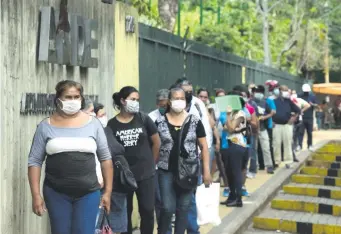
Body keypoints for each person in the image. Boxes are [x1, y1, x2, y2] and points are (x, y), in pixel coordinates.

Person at [27, 80, 113, 234]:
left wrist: (107, 192)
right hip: (56, 193)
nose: (73, 101)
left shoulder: (93, 124)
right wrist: (36, 195)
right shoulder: (45, 126)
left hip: (89, 192)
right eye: (68, 97)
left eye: (76, 97)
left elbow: (106, 159)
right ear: (58, 99)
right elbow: (34, 161)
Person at [155, 87, 211, 234]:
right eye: (175, 98)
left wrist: (206, 172)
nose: (179, 101)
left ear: (186, 101)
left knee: (184, 208)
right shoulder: (159, 122)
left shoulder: (194, 121)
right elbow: (153, 145)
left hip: (189, 171)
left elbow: (204, 147)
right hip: (165, 170)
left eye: (182, 98)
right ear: (169, 101)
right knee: (167, 208)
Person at [107, 86, 161, 234]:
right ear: (123, 101)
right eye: (132, 99)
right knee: (126, 212)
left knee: (148, 211)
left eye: (137, 100)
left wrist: (152, 163)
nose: (136, 102)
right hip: (124, 177)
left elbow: (157, 143)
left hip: (145, 174)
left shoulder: (143, 119)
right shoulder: (112, 125)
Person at [174, 78, 211, 234]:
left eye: (190, 92)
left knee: (189, 199)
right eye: (184, 92)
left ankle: (192, 229)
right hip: (172, 165)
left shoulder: (197, 105)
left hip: (191, 162)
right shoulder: (168, 113)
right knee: (175, 203)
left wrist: (205, 165)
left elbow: (204, 133)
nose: (187, 95)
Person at [148, 89, 172, 234]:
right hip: (157, 166)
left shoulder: (177, 117)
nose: (162, 107)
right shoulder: (151, 118)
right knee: (161, 201)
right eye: (160, 105)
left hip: (173, 165)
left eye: (165, 105)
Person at [220, 90, 248, 207]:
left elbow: (230, 128)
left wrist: (227, 115)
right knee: (229, 172)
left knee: (236, 172)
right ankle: (232, 196)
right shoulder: (233, 114)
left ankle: (238, 199)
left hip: (238, 144)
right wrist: (229, 120)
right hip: (231, 144)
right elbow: (225, 127)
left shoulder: (240, 114)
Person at [272, 85, 301, 168]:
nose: (285, 92)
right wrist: (271, 121)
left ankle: (288, 161)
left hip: (287, 125)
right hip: (276, 125)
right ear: (279, 91)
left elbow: (298, 110)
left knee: (287, 143)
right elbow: (269, 112)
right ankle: (276, 161)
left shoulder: (289, 101)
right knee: (276, 143)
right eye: (284, 90)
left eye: (286, 90)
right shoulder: (274, 101)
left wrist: (293, 118)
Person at [253, 85, 275, 174]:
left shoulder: (264, 102)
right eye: (256, 92)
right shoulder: (251, 103)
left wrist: (264, 117)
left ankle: (269, 165)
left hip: (263, 128)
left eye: (259, 92)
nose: (257, 94)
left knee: (266, 147)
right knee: (254, 149)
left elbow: (271, 113)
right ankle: (255, 166)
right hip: (253, 129)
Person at [298, 84, 317, 150]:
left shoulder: (312, 96)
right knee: (300, 132)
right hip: (302, 116)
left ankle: (310, 145)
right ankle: (299, 145)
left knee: (309, 132)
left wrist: (312, 104)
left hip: (309, 117)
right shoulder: (299, 96)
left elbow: (316, 105)